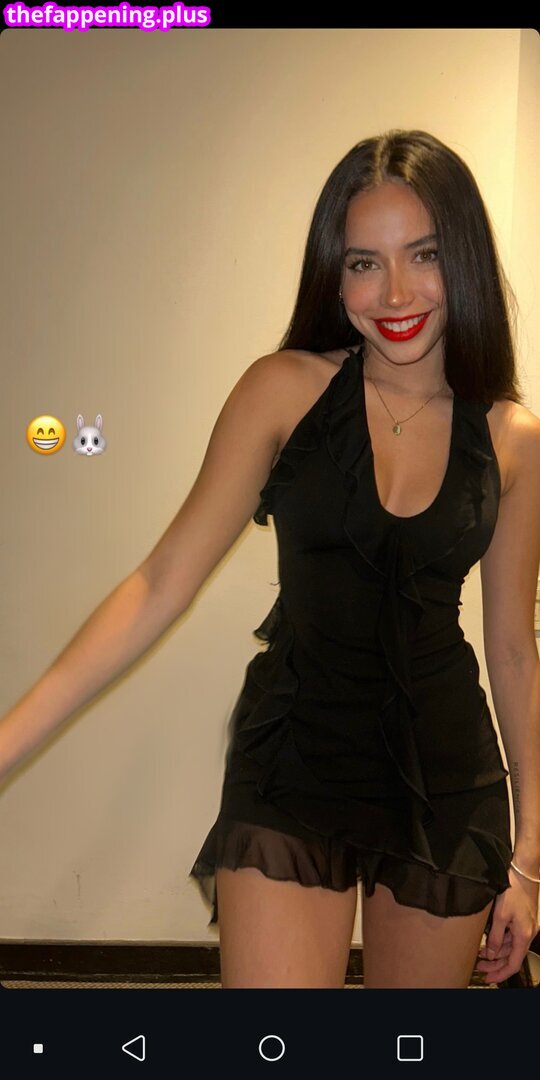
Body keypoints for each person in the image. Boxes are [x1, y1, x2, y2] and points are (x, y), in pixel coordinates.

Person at [1, 130, 539, 989]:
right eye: (363, 263)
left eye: (424, 254)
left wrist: (530, 857)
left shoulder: (513, 439)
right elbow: (158, 583)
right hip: (294, 761)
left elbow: (513, 652)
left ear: (464, 258)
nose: (395, 293)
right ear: (335, 275)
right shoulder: (282, 391)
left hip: (446, 779)